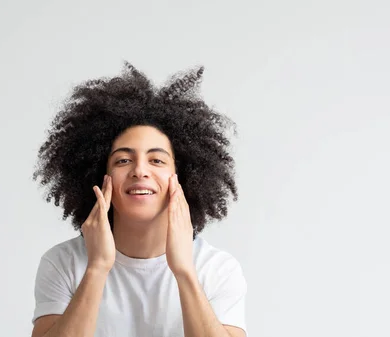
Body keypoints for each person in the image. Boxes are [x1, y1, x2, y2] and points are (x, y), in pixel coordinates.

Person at [30, 62, 247, 337]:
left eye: (156, 160)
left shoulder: (216, 269)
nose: (140, 170)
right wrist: (97, 268)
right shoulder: (63, 263)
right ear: (100, 175)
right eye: (123, 160)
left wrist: (184, 271)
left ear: (183, 177)